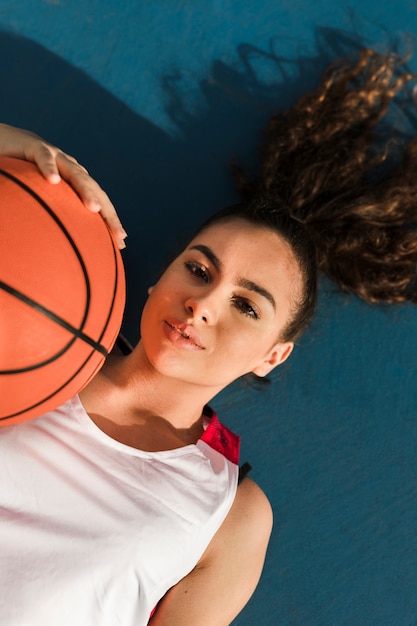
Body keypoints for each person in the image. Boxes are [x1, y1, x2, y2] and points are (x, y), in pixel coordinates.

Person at [1, 47, 417, 625]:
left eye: (246, 305)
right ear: (159, 279)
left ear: (273, 356)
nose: (202, 305)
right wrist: (12, 144)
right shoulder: (25, 340)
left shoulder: (230, 514)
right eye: (198, 269)